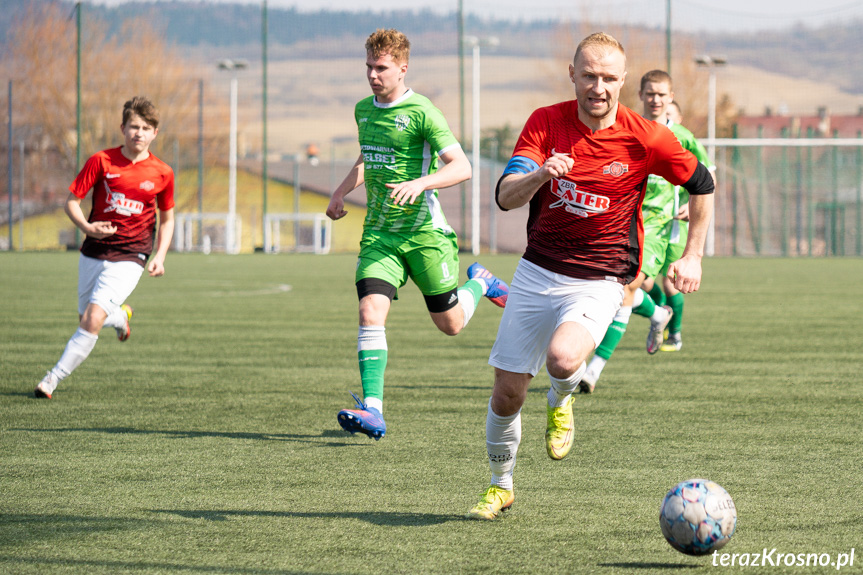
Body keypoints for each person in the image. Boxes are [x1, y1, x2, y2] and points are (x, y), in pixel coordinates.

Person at [466, 33, 714, 520]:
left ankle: (561, 400)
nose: (597, 87)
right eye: (588, 76)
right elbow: (505, 196)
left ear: (623, 81)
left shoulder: (646, 137)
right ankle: (500, 486)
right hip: (537, 270)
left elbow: (703, 183)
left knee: (562, 359)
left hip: (601, 276)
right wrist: (541, 175)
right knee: (507, 393)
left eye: (608, 78)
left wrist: (695, 255)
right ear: (573, 75)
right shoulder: (545, 123)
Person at [326, 29, 509, 441]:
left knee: (451, 324)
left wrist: (422, 183)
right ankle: (373, 410)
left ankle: (480, 283)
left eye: (382, 68)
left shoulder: (423, 111)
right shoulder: (363, 111)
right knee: (370, 313)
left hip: (425, 234)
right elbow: (367, 157)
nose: (373, 75)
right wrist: (340, 191)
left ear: (402, 68)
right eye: (369, 67)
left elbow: (461, 167)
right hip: (380, 234)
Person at [581, 71, 716, 390]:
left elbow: (707, 177)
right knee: (627, 289)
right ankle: (650, 321)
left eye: (662, 94)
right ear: (640, 94)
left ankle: (599, 365)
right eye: (650, 94)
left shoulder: (682, 136)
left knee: (639, 288)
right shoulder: (627, 130)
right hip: (631, 225)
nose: (656, 100)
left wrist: (689, 201)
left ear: (671, 98)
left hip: (666, 229)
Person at [34, 96, 175, 399]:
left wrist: (160, 256)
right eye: (134, 126)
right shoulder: (102, 161)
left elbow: (167, 219)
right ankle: (121, 317)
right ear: (122, 127)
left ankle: (51, 379)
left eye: (146, 127)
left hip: (132, 255)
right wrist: (87, 228)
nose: (139, 132)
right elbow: (71, 201)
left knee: (92, 318)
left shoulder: (162, 173)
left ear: (155, 133)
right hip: (94, 251)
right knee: (86, 316)